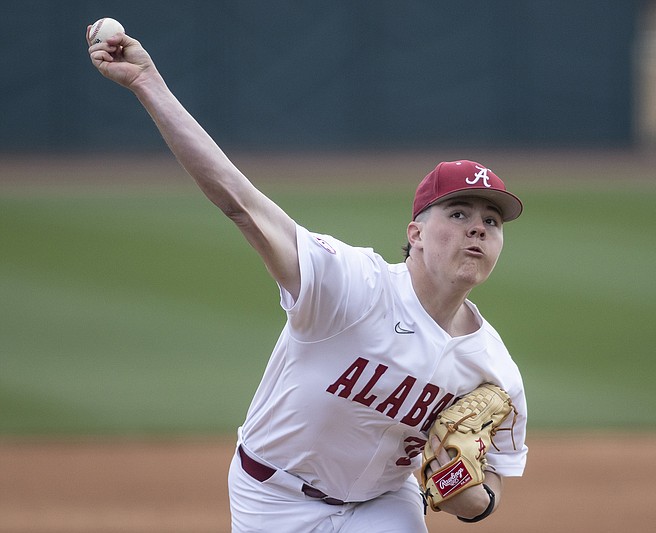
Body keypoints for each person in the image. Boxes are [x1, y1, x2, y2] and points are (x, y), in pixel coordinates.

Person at [88, 27, 528, 533]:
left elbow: (493, 481)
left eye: (491, 222)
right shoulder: (352, 285)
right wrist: (149, 83)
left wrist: (469, 496)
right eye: (458, 213)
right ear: (416, 234)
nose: (478, 227)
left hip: (383, 502)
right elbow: (241, 203)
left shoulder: (493, 369)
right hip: (272, 496)